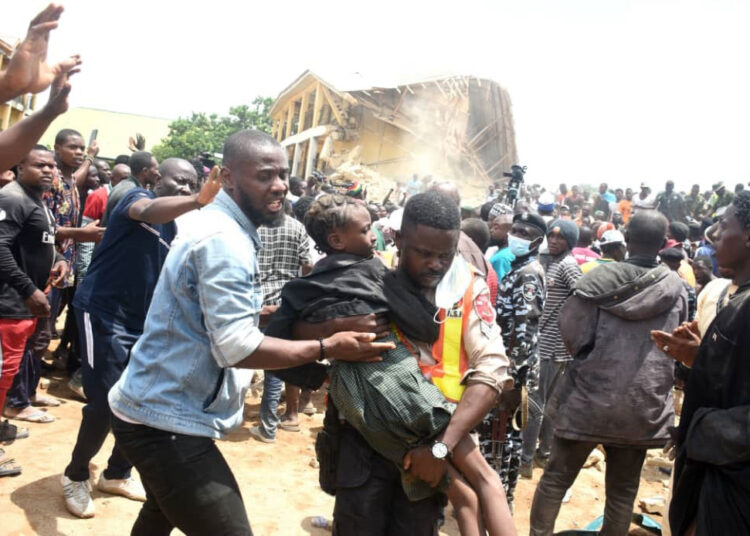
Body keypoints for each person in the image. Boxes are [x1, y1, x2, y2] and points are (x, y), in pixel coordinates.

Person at [107, 130, 391, 535]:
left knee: (159, 514)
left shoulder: (227, 227)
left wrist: (260, 314)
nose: (278, 186)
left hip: (158, 407)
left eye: (283, 175)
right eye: (264, 176)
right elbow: (237, 348)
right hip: (166, 423)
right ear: (227, 178)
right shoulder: (224, 240)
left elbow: (204, 314)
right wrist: (327, 346)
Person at [268, 193, 516, 536]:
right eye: (423, 253)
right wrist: (330, 331)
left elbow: (492, 373)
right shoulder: (366, 268)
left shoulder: (467, 287)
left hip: (435, 438)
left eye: (445, 255)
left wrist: (440, 447)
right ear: (399, 240)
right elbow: (297, 330)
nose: (435, 264)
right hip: (362, 440)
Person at [60, 158, 212, 518]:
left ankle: (116, 473)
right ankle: (75, 475)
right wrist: (197, 200)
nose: (186, 189)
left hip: (141, 323)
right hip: (103, 315)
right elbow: (149, 210)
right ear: (157, 177)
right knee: (105, 403)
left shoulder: (174, 227)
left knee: (139, 402)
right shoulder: (135, 197)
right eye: (180, 181)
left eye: (192, 185)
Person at [530, 210, 688, 536]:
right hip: (642, 405)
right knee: (622, 492)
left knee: (556, 480)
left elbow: (570, 331)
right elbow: (676, 343)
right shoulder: (677, 288)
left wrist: (592, 360)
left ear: (625, 239)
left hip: (588, 398)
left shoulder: (597, 280)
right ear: (662, 243)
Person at [653, 192, 750, 535]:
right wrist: (700, 358)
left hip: (733, 484)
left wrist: (701, 429)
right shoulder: (739, 299)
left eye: (724, 226)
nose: (716, 235)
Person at [477, 212, 547, 510]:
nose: (516, 234)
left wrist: (511, 380)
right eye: (515, 229)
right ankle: (495, 501)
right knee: (500, 438)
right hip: (508, 370)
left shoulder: (528, 274)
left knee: (501, 439)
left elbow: (525, 329)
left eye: (525, 232)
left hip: (511, 375)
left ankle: (496, 503)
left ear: (537, 241)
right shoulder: (519, 268)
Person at [0, 146, 68, 449]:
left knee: (9, 369)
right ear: (19, 167)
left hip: (25, 305)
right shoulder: (13, 198)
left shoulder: (36, 201)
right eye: (40, 165)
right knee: (3, 372)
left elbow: (40, 240)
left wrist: (57, 258)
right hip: (10, 303)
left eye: (51, 166)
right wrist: (28, 289)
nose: (48, 171)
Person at [250, 211, 313, 443]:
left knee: (238, 358)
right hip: (286, 302)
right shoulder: (297, 228)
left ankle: (237, 417)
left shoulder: (254, 225)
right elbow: (308, 265)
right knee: (277, 363)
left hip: (256, 299)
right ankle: (269, 426)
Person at [529, 219, 582, 468]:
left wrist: (568, 326)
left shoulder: (568, 265)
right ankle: (544, 451)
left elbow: (584, 295)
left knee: (536, 402)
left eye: (560, 237)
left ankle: (527, 458)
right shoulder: (551, 262)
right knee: (548, 402)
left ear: (570, 242)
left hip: (552, 345)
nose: (553, 240)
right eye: (551, 235)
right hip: (546, 341)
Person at [101, 151, 160, 226]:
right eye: (156, 169)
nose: (158, 173)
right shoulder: (131, 193)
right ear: (145, 171)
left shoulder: (124, 186)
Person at [489, 211, 515, 281]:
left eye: (496, 228)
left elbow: (500, 286)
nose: (491, 230)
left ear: (508, 232)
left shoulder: (501, 258)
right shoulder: (508, 252)